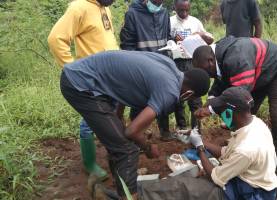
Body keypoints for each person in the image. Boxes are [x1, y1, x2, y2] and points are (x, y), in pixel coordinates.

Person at [60, 50, 210, 198]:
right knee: (127, 150)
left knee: (118, 141)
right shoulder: (170, 91)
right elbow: (131, 132)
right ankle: (128, 195)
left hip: (88, 74)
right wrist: (148, 147)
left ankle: (115, 191)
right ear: (188, 94)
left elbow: (126, 81)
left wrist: (118, 117)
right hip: (81, 85)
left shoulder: (169, 65)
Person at [192, 36, 277, 194]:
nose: (207, 76)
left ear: (209, 61)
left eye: (205, 72)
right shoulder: (218, 56)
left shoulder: (236, 58)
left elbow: (239, 95)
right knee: (245, 116)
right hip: (260, 71)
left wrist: (212, 110)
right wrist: (210, 101)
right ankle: (239, 152)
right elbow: (221, 80)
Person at [47, 0, 119, 182]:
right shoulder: (79, 7)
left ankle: (115, 153)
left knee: (109, 113)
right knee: (90, 120)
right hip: (92, 77)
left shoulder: (105, 8)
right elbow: (56, 39)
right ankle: (90, 164)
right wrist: (72, 69)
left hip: (110, 76)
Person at [190, 87, 277, 200]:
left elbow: (215, 176)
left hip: (256, 192)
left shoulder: (246, 149)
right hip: (253, 178)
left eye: (221, 112)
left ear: (229, 113)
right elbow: (227, 152)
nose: (221, 116)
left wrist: (199, 148)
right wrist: (202, 141)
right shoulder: (255, 123)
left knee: (208, 191)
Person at [120, 0, 174, 141]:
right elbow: (127, 46)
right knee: (140, 102)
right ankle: (138, 135)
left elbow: (167, 37)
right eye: (156, 1)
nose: (159, 4)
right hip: (142, 69)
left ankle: (165, 131)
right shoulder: (133, 14)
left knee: (163, 99)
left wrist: (171, 44)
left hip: (162, 65)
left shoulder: (164, 13)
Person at [170, 0, 214, 132]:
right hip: (176, 63)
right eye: (180, 10)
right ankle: (182, 127)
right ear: (175, 7)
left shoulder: (195, 22)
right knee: (178, 98)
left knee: (195, 99)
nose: (184, 13)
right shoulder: (169, 22)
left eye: (186, 10)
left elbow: (210, 39)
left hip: (193, 63)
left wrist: (201, 35)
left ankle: (196, 129)